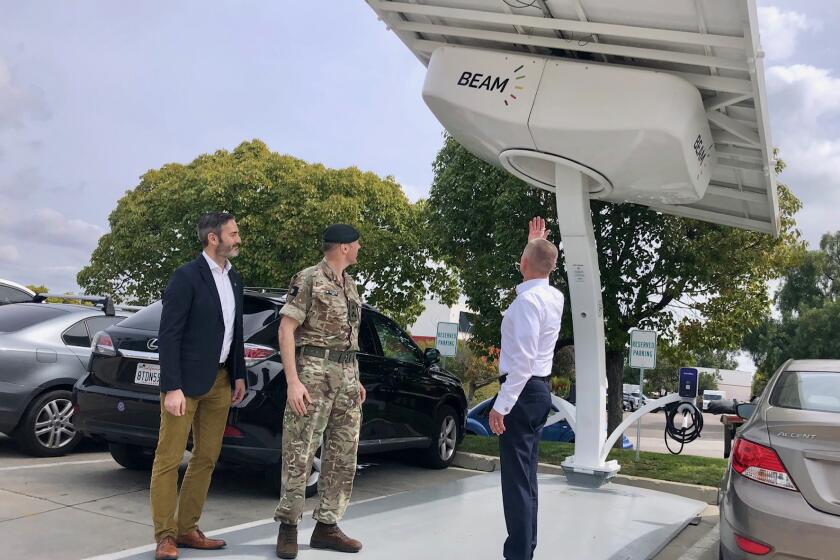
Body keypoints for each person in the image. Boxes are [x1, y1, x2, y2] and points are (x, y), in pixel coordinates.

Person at [150, 212, 247, 560]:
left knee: (206, 457)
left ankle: (187, 528)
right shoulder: (186, 277)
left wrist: (239, 374)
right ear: (213, 239)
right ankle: (165, 536)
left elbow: (233, 331)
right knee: (168, 458)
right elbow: (169, 334)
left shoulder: (234, 278)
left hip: (220, 382)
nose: (238, 239)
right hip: (185, 385)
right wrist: (172, 386)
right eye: (233, 234)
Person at [274, 224, 366, 559]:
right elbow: (287, 329)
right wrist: (293, 381)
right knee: (300, 450)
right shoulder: (309, 278)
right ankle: (288, 526)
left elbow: (348, 336)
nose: (359, 248)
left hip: (346, 375)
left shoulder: (350, 285)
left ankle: (327, 526)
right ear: (343, 247)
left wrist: (355, 379)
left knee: (343, 455)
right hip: (312, 373)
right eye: (356, 244)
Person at [489, 217, 564, 560]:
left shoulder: (525, 305)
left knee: (516, 482)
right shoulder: (554, 297)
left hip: (521, 393)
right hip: (539, 392)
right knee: (528, 478)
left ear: (522, 265)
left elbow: (522, 363)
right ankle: (525, 549)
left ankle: (518, 554)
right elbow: (540, 263)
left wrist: (500, 406)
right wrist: (535, 245)